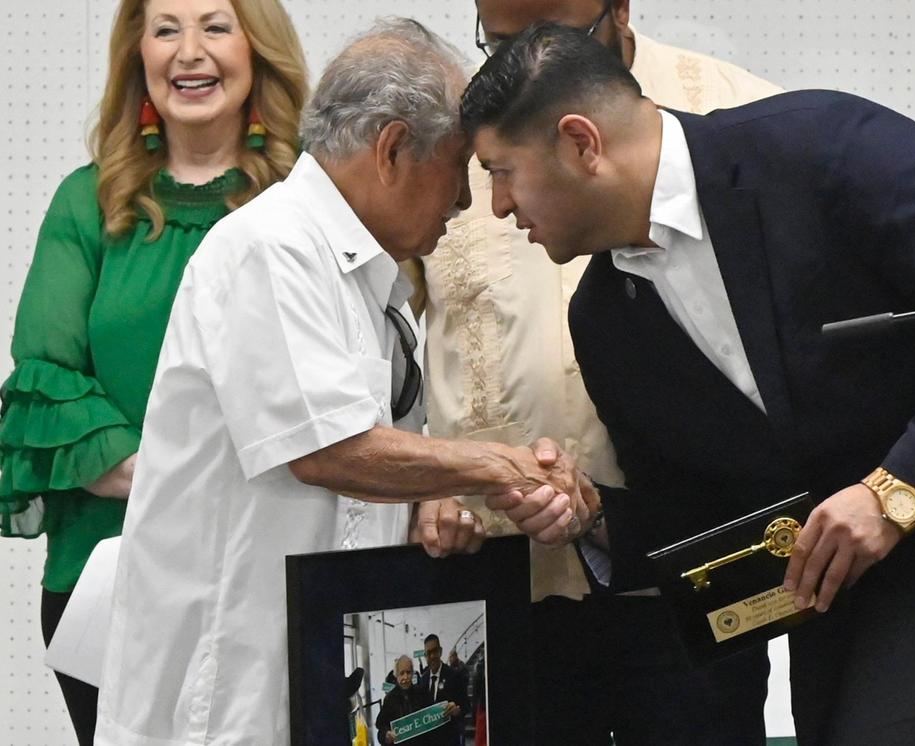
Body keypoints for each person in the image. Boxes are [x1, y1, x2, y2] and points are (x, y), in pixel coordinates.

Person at [462, 23, 915, 745]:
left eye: (501, 171)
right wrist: (592, 516)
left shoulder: (821, 144)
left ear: (580, 143)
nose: (499, 207)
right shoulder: (605, 322)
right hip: (867, 644)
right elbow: (702, 506)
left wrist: (895, 491)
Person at [93, 19, 593, 746]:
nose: (467, 203)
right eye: (459, 167)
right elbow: (330, 452)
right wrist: (504, 466)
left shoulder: (372, 278)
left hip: (329, 677)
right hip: (228, 690)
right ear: (391, 149)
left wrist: (432, 502)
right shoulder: (270, 250)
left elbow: (375, 457)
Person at [408, 2, 781, 743]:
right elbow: (383, 341)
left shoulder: (735, 113)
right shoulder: (455, 141)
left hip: (698, 569)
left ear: (621, 9)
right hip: (506, 576)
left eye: (553, 36)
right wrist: (425, 488)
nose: (521, 63)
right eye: (502, 41)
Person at [0, 0, 307, 743]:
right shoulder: (89, 200)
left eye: (215, 26)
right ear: (138, 54)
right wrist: (183, 483)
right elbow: (45, 380)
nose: (188, 52)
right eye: (166, 29)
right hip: (113, 576)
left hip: (274, 572)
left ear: (257, 50)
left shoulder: (306, 201)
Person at [416, 634, 468, 746]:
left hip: (449, 740)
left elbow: (466, 705)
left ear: (440, 651)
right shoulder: (422, 680)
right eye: (428, 653)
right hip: (429, 742)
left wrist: (457, 710)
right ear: (425, 655)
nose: (432, 656)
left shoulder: (455, 676)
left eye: (435, 651)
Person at [377, 655, 436, 746]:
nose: (406, 677)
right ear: (396, 675)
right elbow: (381, 727)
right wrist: (386, 735)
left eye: (408, 672)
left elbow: (434, 719)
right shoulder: (389, 699)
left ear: (413, 673)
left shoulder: (422, 694)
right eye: (402, 673)